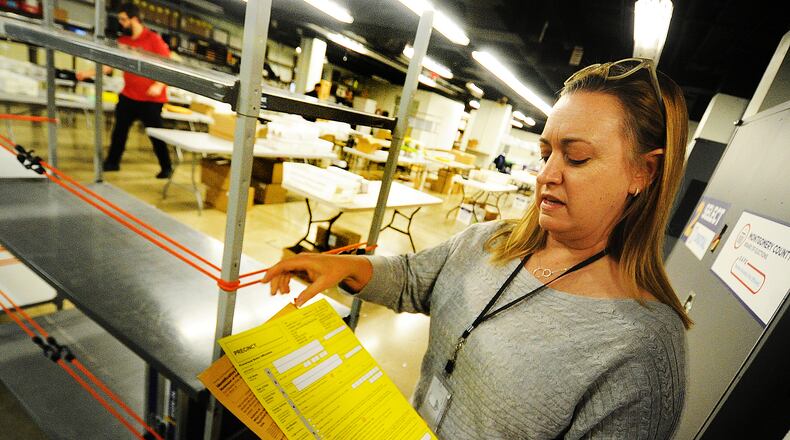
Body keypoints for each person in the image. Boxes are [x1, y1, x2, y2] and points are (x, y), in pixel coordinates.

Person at [263, 57, 691, 439]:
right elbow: (416, 278)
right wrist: (347, 268)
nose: (547, 175)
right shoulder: (491, 240)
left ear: (644, 172)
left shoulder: (641, 350)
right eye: (546, 154)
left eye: (576, 157)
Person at [77, 3, 172, 178]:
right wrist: (87, 73)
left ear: (134, 19)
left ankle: (166, 167)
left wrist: (158, 85)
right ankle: (113, 162)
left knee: (155, 135)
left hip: (151, 101)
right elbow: (109, 65)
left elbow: (167, 65)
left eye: (123, 19)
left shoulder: (153, 39)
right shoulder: (123, 41)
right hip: (129, 95)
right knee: (119, 131)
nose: (121, 23)